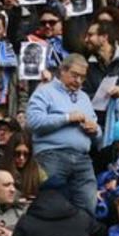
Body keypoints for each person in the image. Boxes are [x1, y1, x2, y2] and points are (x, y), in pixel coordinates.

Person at [26, 54, 102, 214]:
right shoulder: (44, 92)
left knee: (88, 205)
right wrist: (67, 118)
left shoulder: (84, 98)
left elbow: (99, 134)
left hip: (82, 158)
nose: (79, 81)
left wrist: (95, 130)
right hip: (52, 155)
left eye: (82, 77)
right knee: (52, 205)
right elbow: (33, 122)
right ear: (62, 70)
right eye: (75, 75)